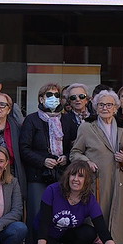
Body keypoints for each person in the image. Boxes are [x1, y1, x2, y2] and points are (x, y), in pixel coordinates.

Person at [35, 160, 123, 244]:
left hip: (68, 235)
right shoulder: (52, 191)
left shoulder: (89, 199)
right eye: (73, 174)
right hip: (48, 235)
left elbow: (103, 231)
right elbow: (43, 224)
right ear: (67, 176)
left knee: (89, 232)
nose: (76, 179)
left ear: (86, 181)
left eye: (81, 176)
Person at [73, 89, 123, 244]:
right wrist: (86, 162)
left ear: (116, 108)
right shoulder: (87, 127)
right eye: (101, 105)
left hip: (120, 181)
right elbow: (75, 153)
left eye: (109, 105)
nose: (105, 108)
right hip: (97, 181)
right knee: (97, 217)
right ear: (95, 107)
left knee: (119, 219)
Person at [19, 83, 80, 228]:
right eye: (49, 95)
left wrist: (66, 157)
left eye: (56, 95)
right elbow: (24, 149)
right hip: (37, 176)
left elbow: (74, 146)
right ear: (41, 99)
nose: (53, 98)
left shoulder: (66, 120)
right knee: (37, 215)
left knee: (60, 216)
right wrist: (43, 161)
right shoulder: (32, 120)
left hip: (61, 174)